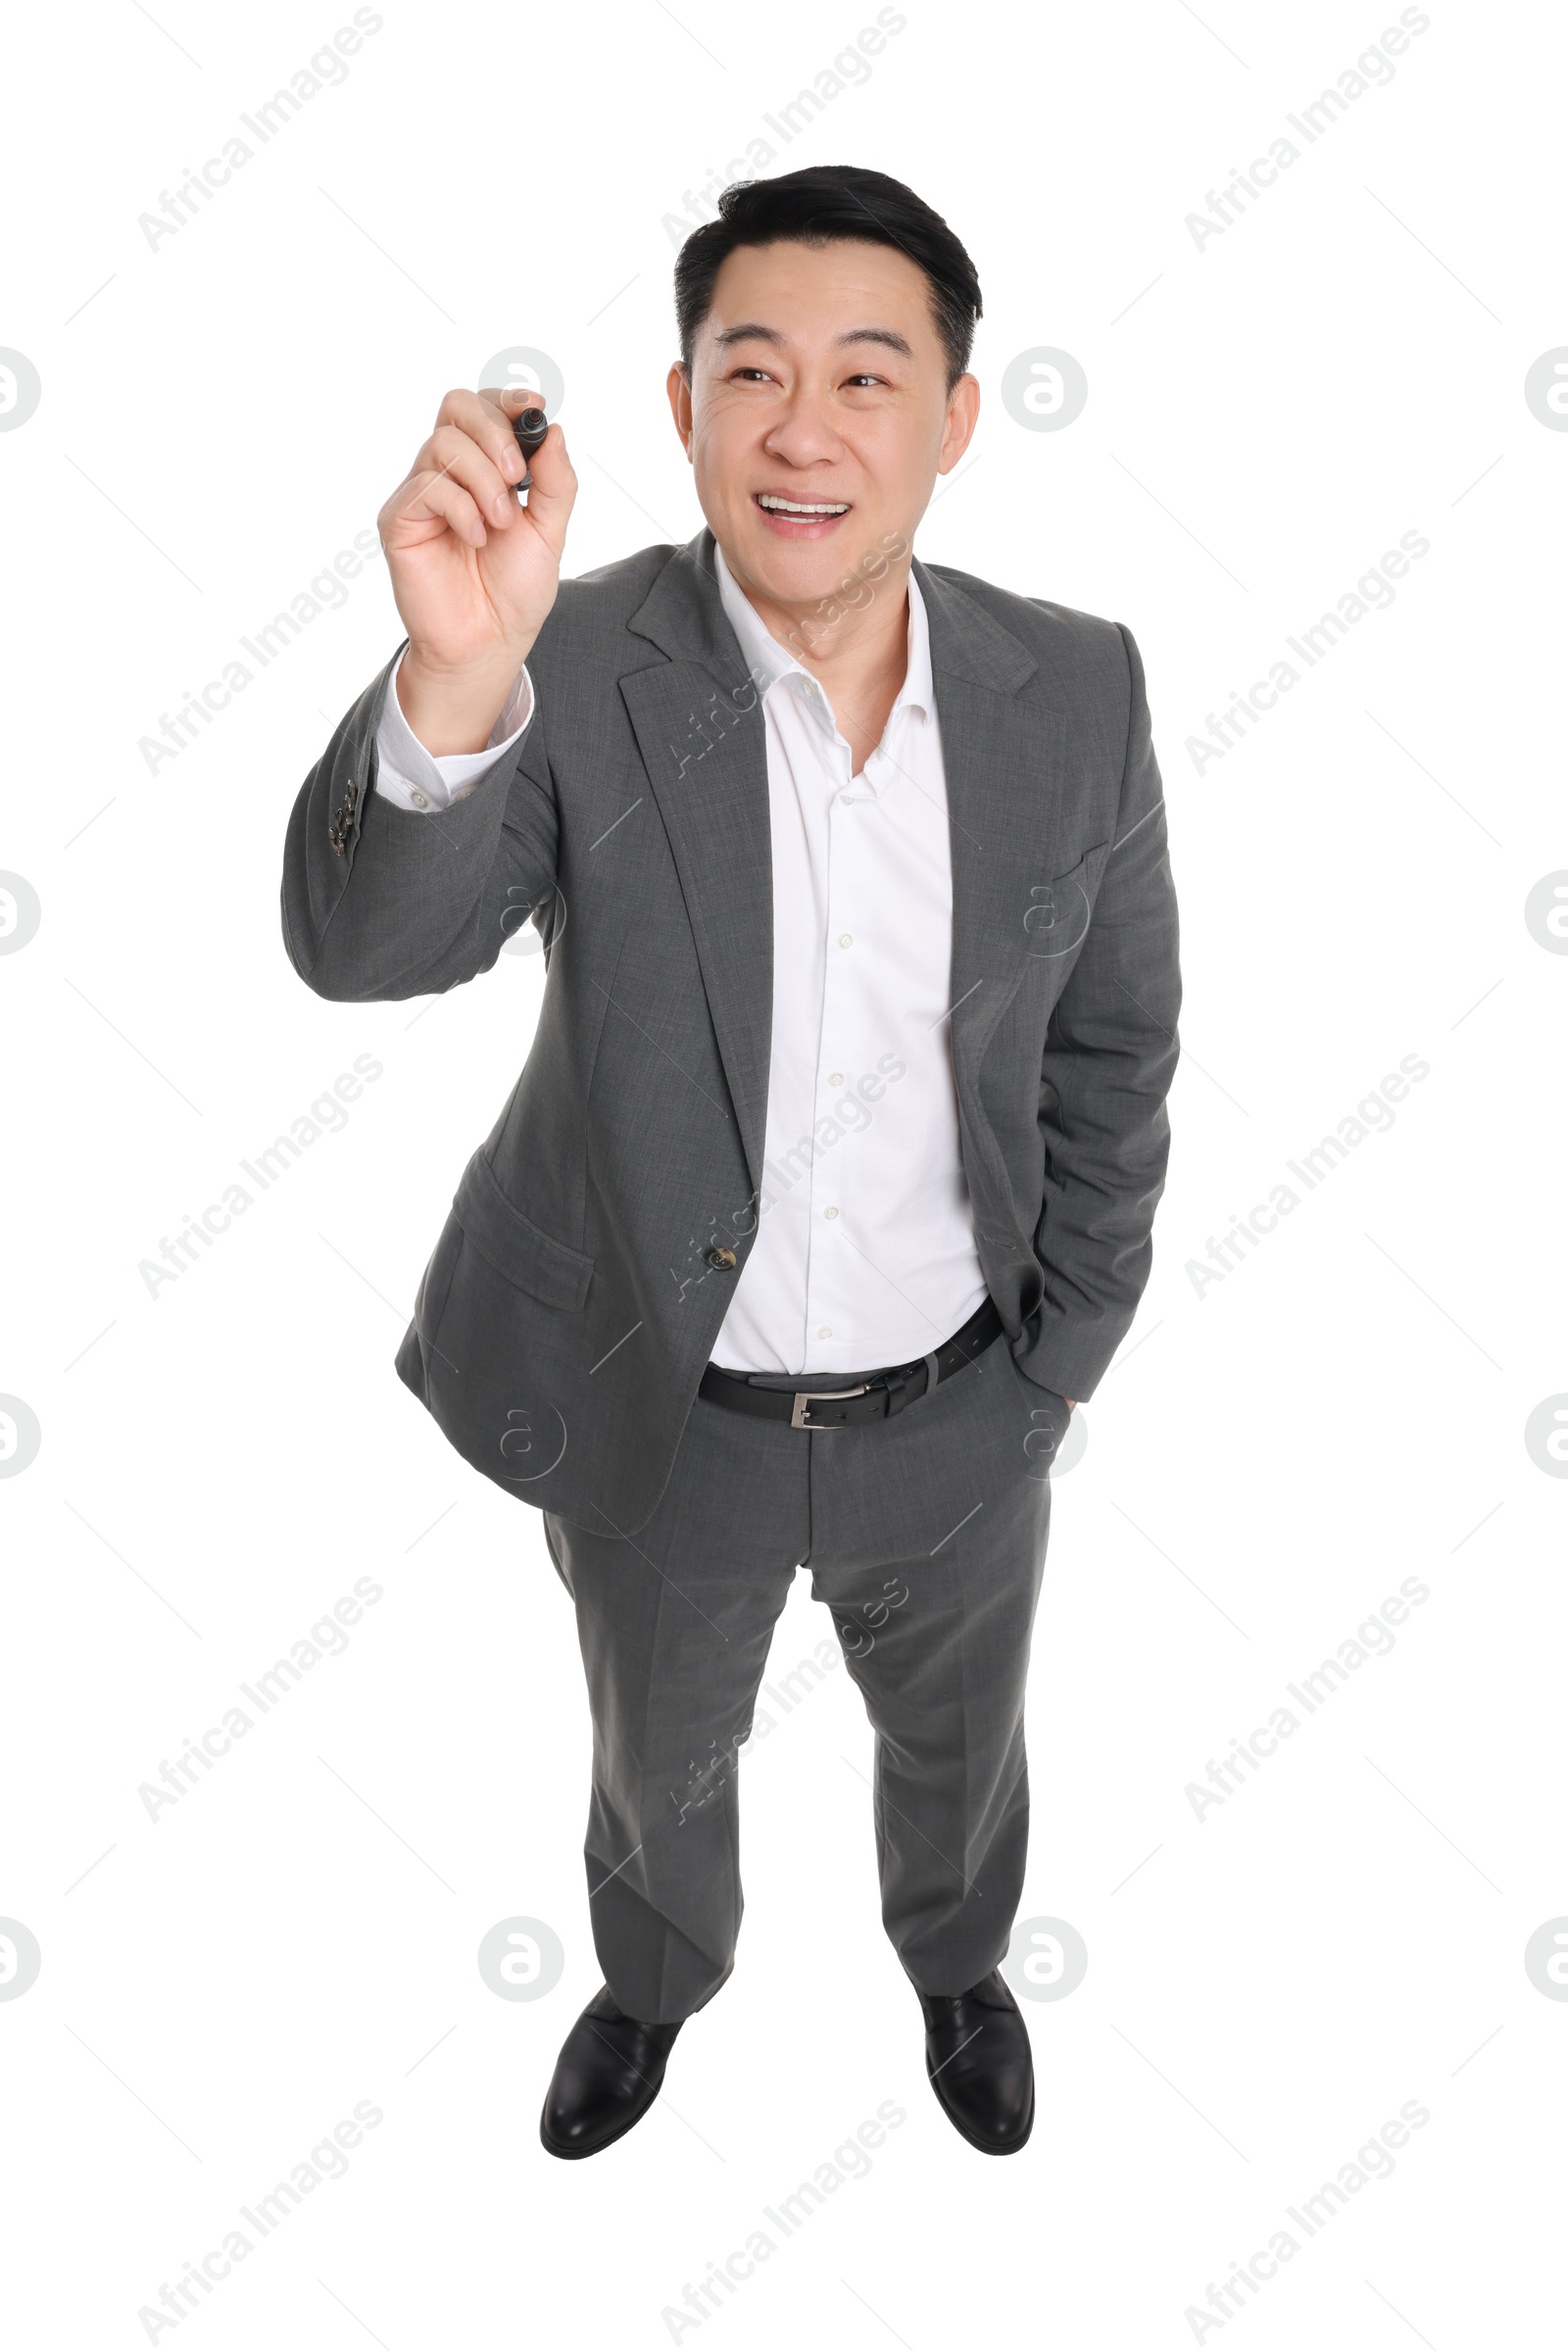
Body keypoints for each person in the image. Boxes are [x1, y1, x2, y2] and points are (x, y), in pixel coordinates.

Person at [280, 164, 1181, 2161]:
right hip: (654, 1407)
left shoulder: (1077, 690)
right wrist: (448, 679)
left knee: (957, 1743)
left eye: (866, 375)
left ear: (955, 417)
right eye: (746, 370)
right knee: (655, 1752)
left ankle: (956, 1965)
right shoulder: (570, 665)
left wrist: (1062, 1351)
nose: (800, 428)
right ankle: (654, 1982)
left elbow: (1112, 1048)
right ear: (677, 408)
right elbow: (361, 951)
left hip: (963, 1400)